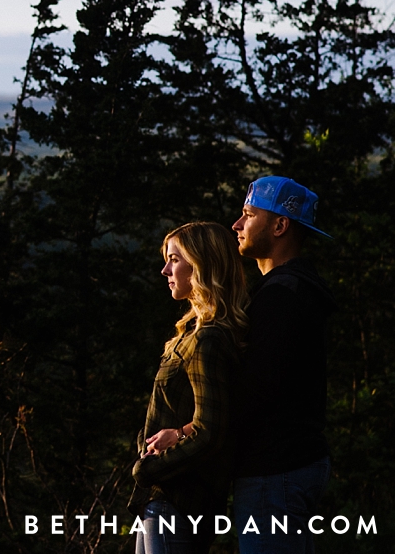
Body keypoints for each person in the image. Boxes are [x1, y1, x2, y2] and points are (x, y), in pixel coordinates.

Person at [230, 177, 335, 554]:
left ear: (279, 225)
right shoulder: (295, 289)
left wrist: (194, 431)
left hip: (274, 472)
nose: (237, 225)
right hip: (292, 466)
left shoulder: (280, 295)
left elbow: (258, 389)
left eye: (247, 214)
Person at [132, 221, 248, 554]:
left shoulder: (208, 340)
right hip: (165, 499)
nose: (165, 269)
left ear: (201, 264)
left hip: (179, 500)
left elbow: (211, 430)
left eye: (174, 259)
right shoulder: (193, 335)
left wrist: (148, 469)